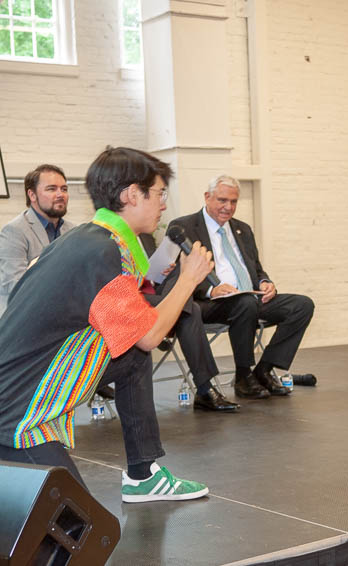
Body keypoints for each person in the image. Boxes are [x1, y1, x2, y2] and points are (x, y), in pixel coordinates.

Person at [0, 146, 216, 503]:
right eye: (160, 193)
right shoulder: (103, 252)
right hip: (16, 417)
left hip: (18, 393)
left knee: (131, 360)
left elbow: (136, 332)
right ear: (132, 194)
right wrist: (188, 279)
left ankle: (143, 474)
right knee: (76, 532)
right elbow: (151, 335)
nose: (164, 204)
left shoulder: (86, 238)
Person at [166, 174, 315, 399]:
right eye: (222, 200)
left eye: (233, 202)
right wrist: (210, 290)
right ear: (207, 197)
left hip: (249, 299)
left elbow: (256, 269)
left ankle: (264, 370)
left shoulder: (242, 229)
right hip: (209, 303)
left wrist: (265, 282)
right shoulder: (184, 227)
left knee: (302, 305)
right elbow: (176, 274)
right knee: (244, 303)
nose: (228, 207)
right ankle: (243, 377)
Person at [139, 233, 239, 412]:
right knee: (192, 309)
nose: (161, 208)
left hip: (153, 293)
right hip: (131, 298)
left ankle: (161, 328)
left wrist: (162, 273)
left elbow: (151, 277)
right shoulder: (112, 238)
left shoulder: (145, 236)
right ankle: (204, 389)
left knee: (182, 278)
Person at [0, 164, 74, 316]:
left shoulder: (74, 231)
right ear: (32, 195)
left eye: (64, 189)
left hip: (62, 317)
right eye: (52, 189)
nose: (61, 194)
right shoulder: (14, 231)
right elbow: (15, 286)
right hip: (21, 319)